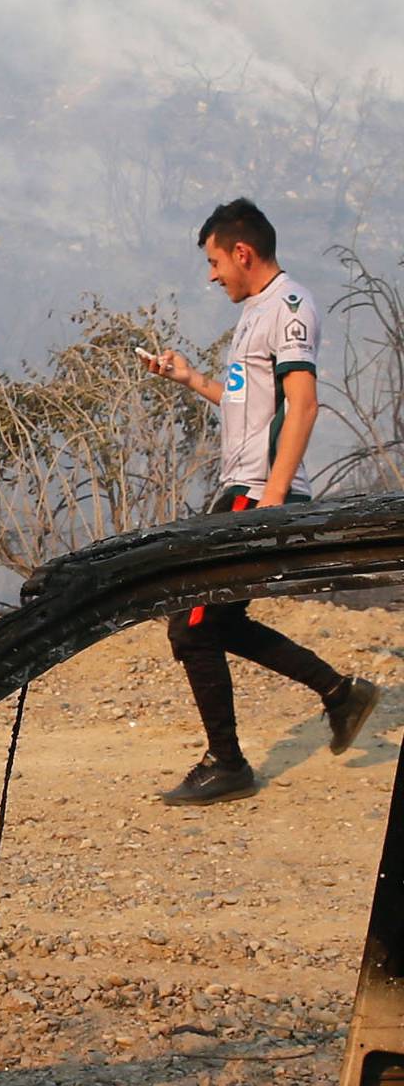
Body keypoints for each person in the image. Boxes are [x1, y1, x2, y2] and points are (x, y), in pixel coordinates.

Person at [140, 197, 378, 805]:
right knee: (217, 619)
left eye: (216, 261)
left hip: (258, 491)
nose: (212, 274)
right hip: (242, 487)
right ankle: (340, 694)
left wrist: (273, 494)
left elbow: (304, 403)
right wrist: (192, 380)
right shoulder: (254, 313)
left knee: (193, 625)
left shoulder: (289, 306)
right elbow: (251, 406)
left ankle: (228, 764)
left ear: (242, 252)